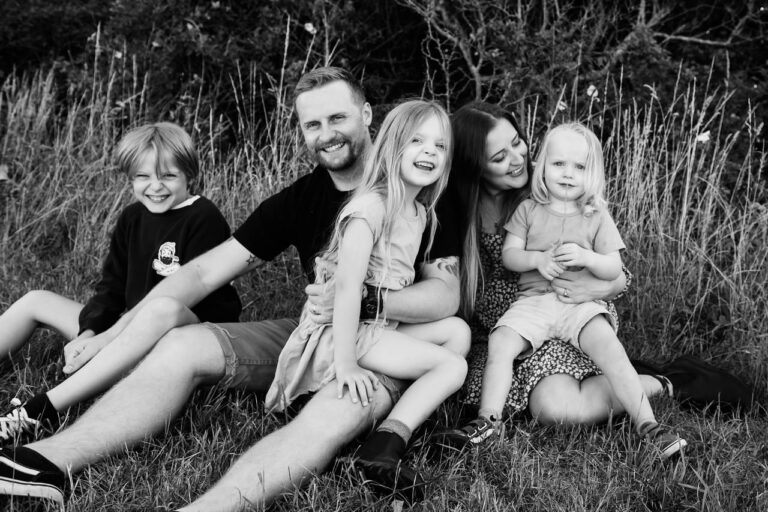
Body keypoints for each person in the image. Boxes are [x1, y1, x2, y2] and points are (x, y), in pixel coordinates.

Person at [0, 67, 462, 510]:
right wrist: (111, 333)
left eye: (338, 118)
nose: (327, 134)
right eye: (313, 124)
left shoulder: (423, 189)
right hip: (315, 329)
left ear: (366, 116)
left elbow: (444, 298)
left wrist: (362, 300)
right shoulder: (300, 199)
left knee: (340, 406)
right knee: (182, 345)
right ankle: (46, 461)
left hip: (391, 337)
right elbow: (202, 274)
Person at [449, 121, 686, 459]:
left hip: (578, 305)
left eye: (579, 167)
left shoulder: (595, 214)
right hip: (532, 303)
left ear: (592, 175)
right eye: (559, 164)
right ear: (542, 166)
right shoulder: (528, 209)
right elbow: (510, 256)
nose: (568, 174)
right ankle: (488, 422)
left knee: (609, 347)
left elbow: (615, 269)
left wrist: (588, 258)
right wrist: (538, 259)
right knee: (502, 341)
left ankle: (649, 425)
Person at [265, 100, 469, 492]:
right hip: (345, 331)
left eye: (440, 146)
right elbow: (346, 290)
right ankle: (383, 447)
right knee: (451, 367)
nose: (429, 151)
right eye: (417, 141)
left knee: (457, 333)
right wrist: (346, 364)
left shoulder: (420, 212)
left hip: (377, 325)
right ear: (392, 146)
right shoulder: (369, 208)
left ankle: (399, 415)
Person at [0, 122, 241, 442]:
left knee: (164, 307)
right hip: (122, 329)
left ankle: (38, 411)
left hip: (181, 333)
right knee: (36, 299)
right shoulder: (132, 217)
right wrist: (88, 335)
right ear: (130, 178)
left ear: (189, 174)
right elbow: (111, 288)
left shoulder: (203, 217)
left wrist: (112, 339)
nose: (155, 186)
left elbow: (199, 296)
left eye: (168, 175)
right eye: (143, 177)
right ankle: (99, 355)